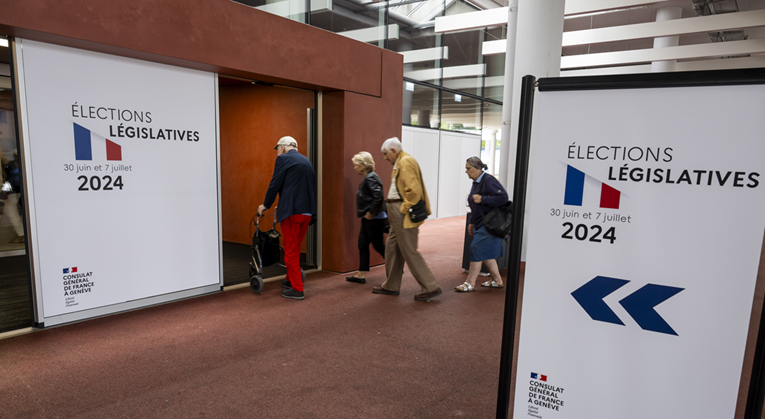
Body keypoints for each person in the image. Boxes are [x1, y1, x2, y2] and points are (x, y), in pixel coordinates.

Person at [372, 137, 442, 301]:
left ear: (393, 151)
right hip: (397, 212)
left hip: (402, 212)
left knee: (409, 250)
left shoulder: (405, 162)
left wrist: (402, 210)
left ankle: (430, 286)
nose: (384, 157)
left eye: (385, 154)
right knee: (392, 249)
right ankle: (391, 285)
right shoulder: (402, 161)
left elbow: (413, 191)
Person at [258, 136, 317, 300]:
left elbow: (275, 183)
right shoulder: (306, 161)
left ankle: (297, 289)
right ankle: (290, 279)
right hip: (307, 213)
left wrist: (266, 205)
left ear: (283, 147)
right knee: (295, 246)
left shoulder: (284, 159)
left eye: (277, 148)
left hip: (292, 212)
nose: (277, 152)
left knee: (290, 250)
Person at [455, 156, 508, 292]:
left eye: (468, 169)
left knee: (476, 249)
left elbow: (503, 197)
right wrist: (472, 222)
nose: (466, 172)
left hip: (490, 224)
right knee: (487, 255)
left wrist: (483, 199)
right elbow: (475, 204)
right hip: (480, 223)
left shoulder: (488, 180)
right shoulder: (476, 182)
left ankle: (470, 282)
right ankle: (497, 281)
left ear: (477, 168)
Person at [347, 152, 387, 284]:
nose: (354, 167)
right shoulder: (368, 177)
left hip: (374, 219)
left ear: (363, 165)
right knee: (362, 244)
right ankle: (361, 274)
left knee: (378, 246)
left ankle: (395, 268)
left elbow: (378, 197)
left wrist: (371, 212)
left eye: (356, 164)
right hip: (368, 219)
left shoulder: (371, 178)